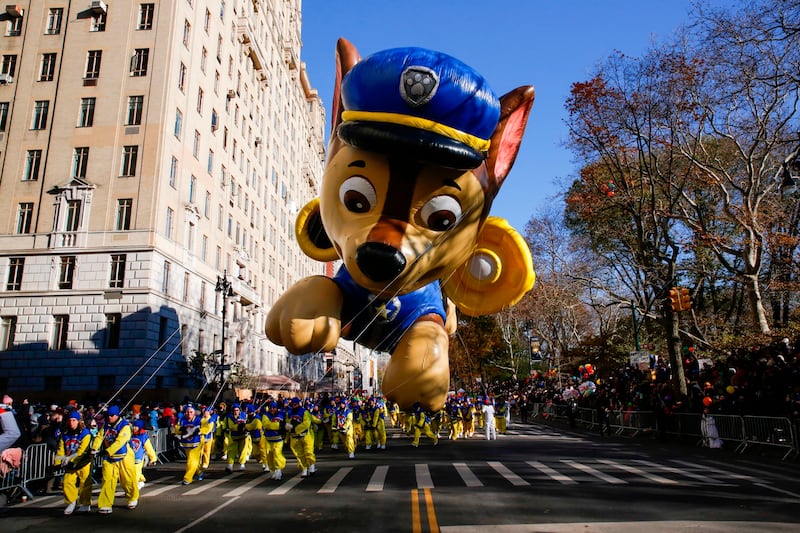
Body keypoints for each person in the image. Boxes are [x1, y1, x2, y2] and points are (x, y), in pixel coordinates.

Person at [97, 404, 139, 514]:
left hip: (124, 456)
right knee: (107, 480)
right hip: (110, 458)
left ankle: (132, 497)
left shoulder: (124, 426)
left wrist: (108, 450)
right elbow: (99, 436)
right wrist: (94, 448)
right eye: (108, 415)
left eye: (112, 415)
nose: (109, 417)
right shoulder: (105, 426)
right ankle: (105, 504)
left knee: (127, 479)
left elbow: (120, 441)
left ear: (117, 415)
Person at [55, 410, 94, 514]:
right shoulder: (65, 434)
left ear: (78, 421)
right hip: (70, 463)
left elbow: (82, 451)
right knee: (67, 483)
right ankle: (71, 502)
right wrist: (57, 463)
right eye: (70, 420)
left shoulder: (85, 433)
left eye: (74, 420)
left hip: (83, 462)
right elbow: (61, 449)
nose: (71, 422)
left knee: (85, 484)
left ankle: (85, 503)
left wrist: (73, 460)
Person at [175, 404, 210, 484]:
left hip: (197, 443)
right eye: (187, 412)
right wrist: (181, 429)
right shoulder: (182, 419)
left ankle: (187, 478)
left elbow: (206, 427)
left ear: (194, 413)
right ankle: (199, 472)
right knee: (193, 460)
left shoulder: (199, 419)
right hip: (186, 444)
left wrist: (199, 430)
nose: (189, 414)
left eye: (191, 412)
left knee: (191, 461)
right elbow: (177, 428)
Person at [285, 397, 316, 477]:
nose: (294, 406)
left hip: (306, 436)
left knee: (308, 452)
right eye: (292, 404)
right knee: (299, 454)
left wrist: (295, 428)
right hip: (294, 437)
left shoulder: (305, 412)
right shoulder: (289, 413)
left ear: (298, 404)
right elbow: (288, 422)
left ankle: (311, 465)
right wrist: (288, 428)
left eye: (295, 404)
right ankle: (304, 468)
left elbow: (306, 423)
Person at [261, 401, 286, 480]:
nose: (272, 409)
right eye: (271, 408)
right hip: (268, 440)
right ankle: (274, 470)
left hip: (278, 439)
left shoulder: (282, 414)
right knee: (270, 456)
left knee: (277, 454)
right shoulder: (265, 415)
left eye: (274, 408)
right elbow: (267, 425)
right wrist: (279, 426)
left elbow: (287, 424)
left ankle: (278, 470)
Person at [130, 419, 157, 489]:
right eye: (134, 426)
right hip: (130, 458)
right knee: (131, 472)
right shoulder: (131, 435)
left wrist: (153, 458)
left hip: (138, 458)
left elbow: (149, 448)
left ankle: (134, 490)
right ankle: (141, 480)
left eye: (136, 426)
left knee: (135, 474)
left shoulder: (143, 437)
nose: (134, 428)